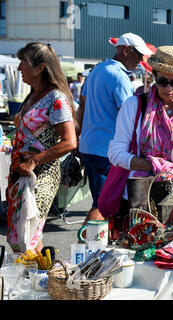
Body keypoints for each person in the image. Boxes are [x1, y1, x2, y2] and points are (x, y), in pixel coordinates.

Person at [108, 45, 173, 214]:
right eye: (162, 82)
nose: (169, 89)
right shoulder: (133, 106)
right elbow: (115, 154)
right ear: (154, 76)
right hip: (141, 196)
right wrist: (158, 166)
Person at [7, 42, 77, 253]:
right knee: (25, 235)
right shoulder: (33, 96)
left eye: (23, 63)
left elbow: (70, 142)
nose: (19, 68)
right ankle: (37, 278)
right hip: (21, 173)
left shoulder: (55, 99)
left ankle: (33, 279)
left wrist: (34, 160)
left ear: (40, 68)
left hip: (41, 174)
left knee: (28, 233)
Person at [76, 32, 151, 225]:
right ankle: (84, 248)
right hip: (107, 151)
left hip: (89, 147)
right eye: (139, 55)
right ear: (126, 51)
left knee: (101, 202)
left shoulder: (97, 69)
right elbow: (130, 113)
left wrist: (79, 135)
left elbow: (82, 104)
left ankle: (92, 247)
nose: (141, 60)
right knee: (102, 206)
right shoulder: (118, 76)